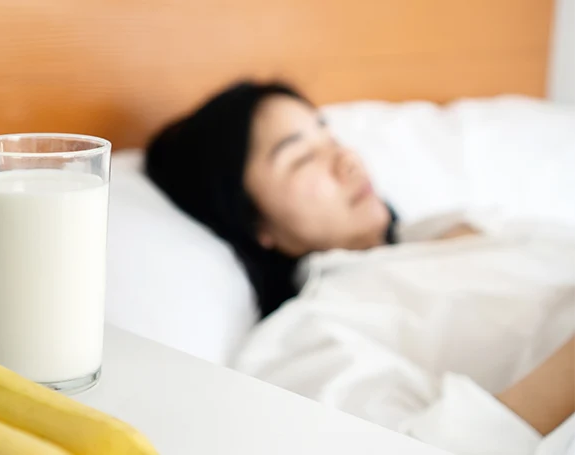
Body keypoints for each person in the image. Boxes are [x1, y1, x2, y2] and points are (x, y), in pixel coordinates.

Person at [144, 80, 575, 454]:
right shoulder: (312, 334)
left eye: (328, 137)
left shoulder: (459, 224)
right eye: (301, 158)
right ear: (254, 223)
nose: (346, 160)